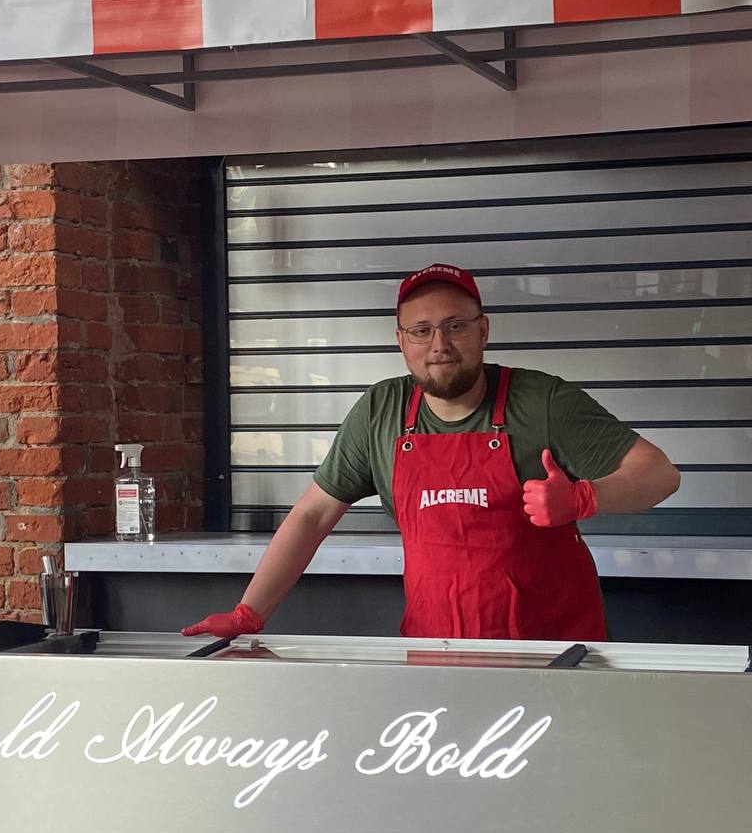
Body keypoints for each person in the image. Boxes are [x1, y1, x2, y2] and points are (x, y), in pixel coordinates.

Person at [183, 263, 682, 642]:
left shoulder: (543, 401)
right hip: (435, 647)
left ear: (483, 331)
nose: (439, 344)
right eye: (421, 331)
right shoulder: (381, 411)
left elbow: (659, 473)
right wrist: (249, 613)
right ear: (401, 341)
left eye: (455, 326)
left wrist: (584, 498)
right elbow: (312, 515)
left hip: (550, 651)